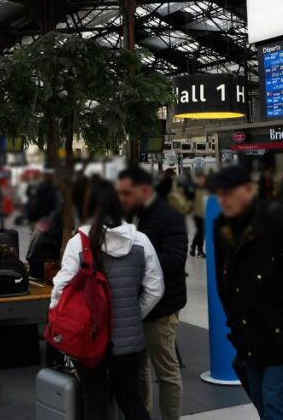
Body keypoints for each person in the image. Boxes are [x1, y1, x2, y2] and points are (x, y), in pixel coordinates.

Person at [211, 166, 283, 420]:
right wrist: (234, 324)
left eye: (229, 193)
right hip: (249, 339)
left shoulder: (279, 221)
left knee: (277, 410)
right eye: (219, 194)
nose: (223, 200)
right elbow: (225, 283)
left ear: (249, 190)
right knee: (265, 406)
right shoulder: (223, 228)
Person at [52, 181, 164, 420]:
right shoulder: (141, 241)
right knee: (131, 399)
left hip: (87, 336)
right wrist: (133, 314)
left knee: (94, 399)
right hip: (129, 340)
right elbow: (156, 289)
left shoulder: (78, 243)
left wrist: (63, 319)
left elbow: (61, 289)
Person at [117, 166, 187, 420]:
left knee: (166, 372)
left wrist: (138, 261)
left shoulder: (169, 216)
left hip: (162, 309)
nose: (122, 198)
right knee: (139, 371)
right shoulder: (130, 215)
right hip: (134, 306)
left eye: (127, 193)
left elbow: (176, 259)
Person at [190, 172, 210, 258]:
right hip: (197, 214)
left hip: (204, 213)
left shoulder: (207, 189)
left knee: (200, 232)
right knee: (200, 232)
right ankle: (198, 250)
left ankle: (195, 248)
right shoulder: (194, 188)